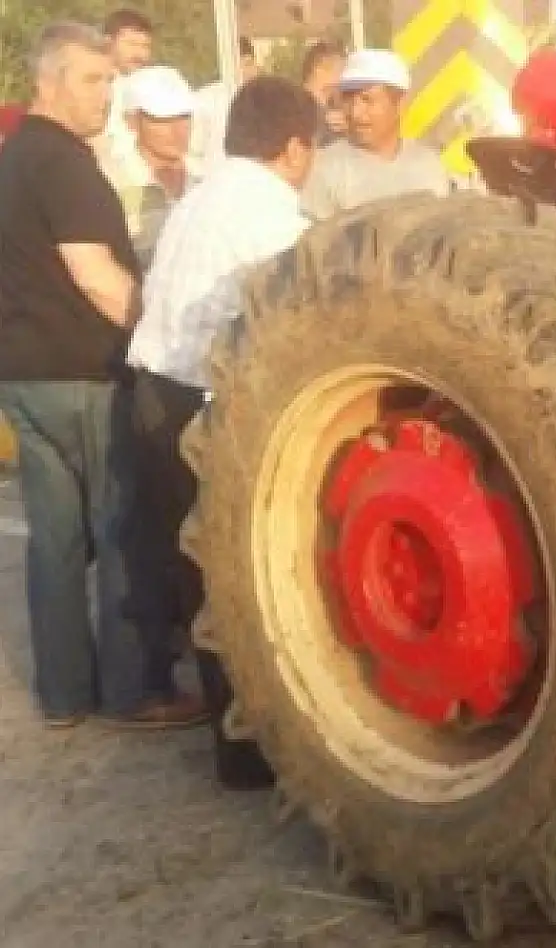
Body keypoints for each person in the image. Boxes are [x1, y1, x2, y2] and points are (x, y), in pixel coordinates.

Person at [0, 21, 207, 730]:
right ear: (49, 82)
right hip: (83, 372)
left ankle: (64, 692)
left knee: (55, 539)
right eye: (92, 80)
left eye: (109, 80)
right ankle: (138, 690)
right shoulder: (64, 164)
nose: (105, 95)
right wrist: (158, 335)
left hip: (23, 376)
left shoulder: (12, 157)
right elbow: (94, 273)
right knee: (120, 532)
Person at [123, 75, 322, 789]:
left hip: (150, 389)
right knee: (228, 576)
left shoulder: (199, 196)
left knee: (193, 571)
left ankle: (232, 744)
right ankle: (249, 748)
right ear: (296, 147)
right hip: (193, 403)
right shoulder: (268, 212)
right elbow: (315, 299)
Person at [300, 49, 449, 220]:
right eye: (348, 100)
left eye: (367, 100)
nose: (356, 112)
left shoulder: (428, 166)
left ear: (399, 103)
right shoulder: (325, 168)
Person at [101, 64, 199, 266]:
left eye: (184, 116)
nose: (178, 130)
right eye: (163, 119)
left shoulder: (208, 178)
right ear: (132, 121)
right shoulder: (110, 183)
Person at [188, 36, 262, 173]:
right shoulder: (207, 99)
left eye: (250, 63)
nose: (250, 70)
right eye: (244, 64)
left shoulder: (263, 102)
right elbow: (190, 153)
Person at [95, 8, 155, 167]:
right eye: (132, 44)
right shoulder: (92, 87)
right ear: (108, 43)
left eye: (146, 46)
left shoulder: (148, 89)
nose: (140, 54)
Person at [300, 39, 349, 145]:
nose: (345, 76)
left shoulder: (337, 109)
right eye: (340, 70)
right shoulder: (297, 108)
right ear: (319, 70)